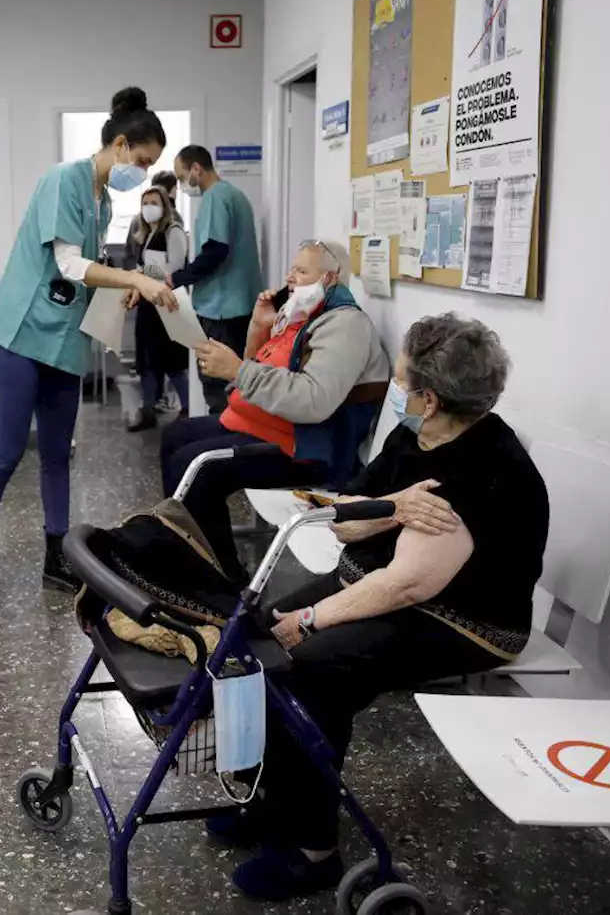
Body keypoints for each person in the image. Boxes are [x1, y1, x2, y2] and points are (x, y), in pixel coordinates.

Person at [212, 314, 549, 902]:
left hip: (461, 617)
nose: (395, 388)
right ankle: (265, 802)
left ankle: (311, 851)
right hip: (388, 583)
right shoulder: (413, 435)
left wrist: (312, 619)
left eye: (402, 381)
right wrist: (392, 509)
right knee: (258, 635)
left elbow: (407, 587)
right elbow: (347, 521)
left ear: (431, 396)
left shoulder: (481, 468)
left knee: (312, 667)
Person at [0, 87, 177, 606]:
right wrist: (137, 280)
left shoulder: (103, 200)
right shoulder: (64, 180)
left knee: (58, 454)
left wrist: (122, 285)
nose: (143, 176)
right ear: (121, 145)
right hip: (20, 335)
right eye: (143, 162)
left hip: (62, 341)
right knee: (7, 452)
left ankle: (56, 557)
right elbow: (66, 265)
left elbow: (86, 272)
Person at [162, 239, 388, 580]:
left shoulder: (344, 325)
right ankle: (187, 552)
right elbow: (261, 373)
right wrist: (259, 327)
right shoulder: (302, 318)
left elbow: (313, 401)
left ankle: (222, 581)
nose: (290, 277)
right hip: (279, 428)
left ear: (330, 278)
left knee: (198, 468)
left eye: (301, 270)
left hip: (313, 450)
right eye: (291, 269)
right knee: (176, 434)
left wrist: (237, 370)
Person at [168, 145, 265, 414]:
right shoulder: (236, 195)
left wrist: (176, 278)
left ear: (196, 169)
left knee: (217, 386)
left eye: (181, 176)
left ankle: (219, 447)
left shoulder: (215, 197)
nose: (181, 184)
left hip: (220, 309)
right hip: (240, 306)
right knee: (236, 385)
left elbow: (215, 251)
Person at [123, 186, 189, 432]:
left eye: (154, 202)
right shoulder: (146, 234)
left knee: (172, 363)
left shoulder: (174, 232)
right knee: (148, 363)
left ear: (164, 205)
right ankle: (148, 411)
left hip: (168, 304)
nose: (149, 207)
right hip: (149, 305)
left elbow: (175, 269)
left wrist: (142, 273)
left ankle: (188, 409)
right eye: (145, 202)